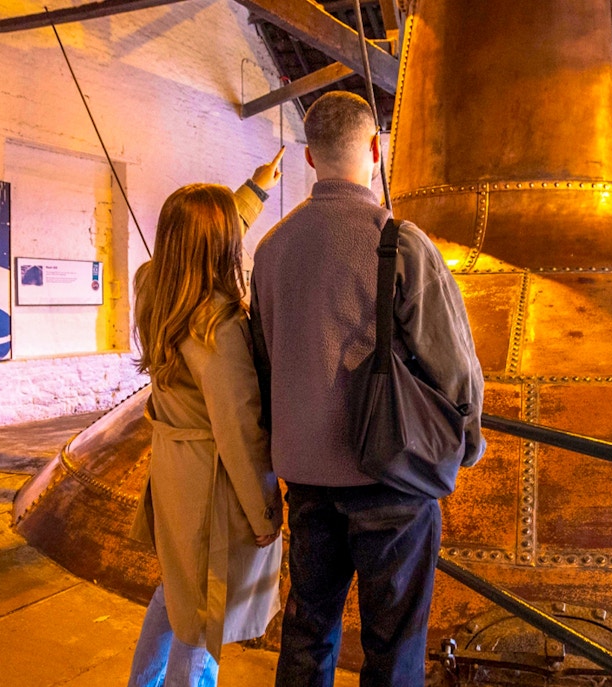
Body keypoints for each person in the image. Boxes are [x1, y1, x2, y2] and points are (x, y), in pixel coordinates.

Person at [250, 92, 485, 687]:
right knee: (392, 649)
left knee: (307, 635)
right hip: (390, 480)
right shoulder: (399, 242)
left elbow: (264, 363)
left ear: (308, 158)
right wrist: (467, 441)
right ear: (376, 150)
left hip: (303, 481)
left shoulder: (271, 250)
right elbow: (452, 363)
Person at [127, 149, 286, 687]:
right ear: (222, 248)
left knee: (176, 590)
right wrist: (265, 515)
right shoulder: (217, 324)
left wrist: (256, 189)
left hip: (171, 470)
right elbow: (239, 431)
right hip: (211, 486)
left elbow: (202, 235)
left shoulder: (152, 285)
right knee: (205, 616)